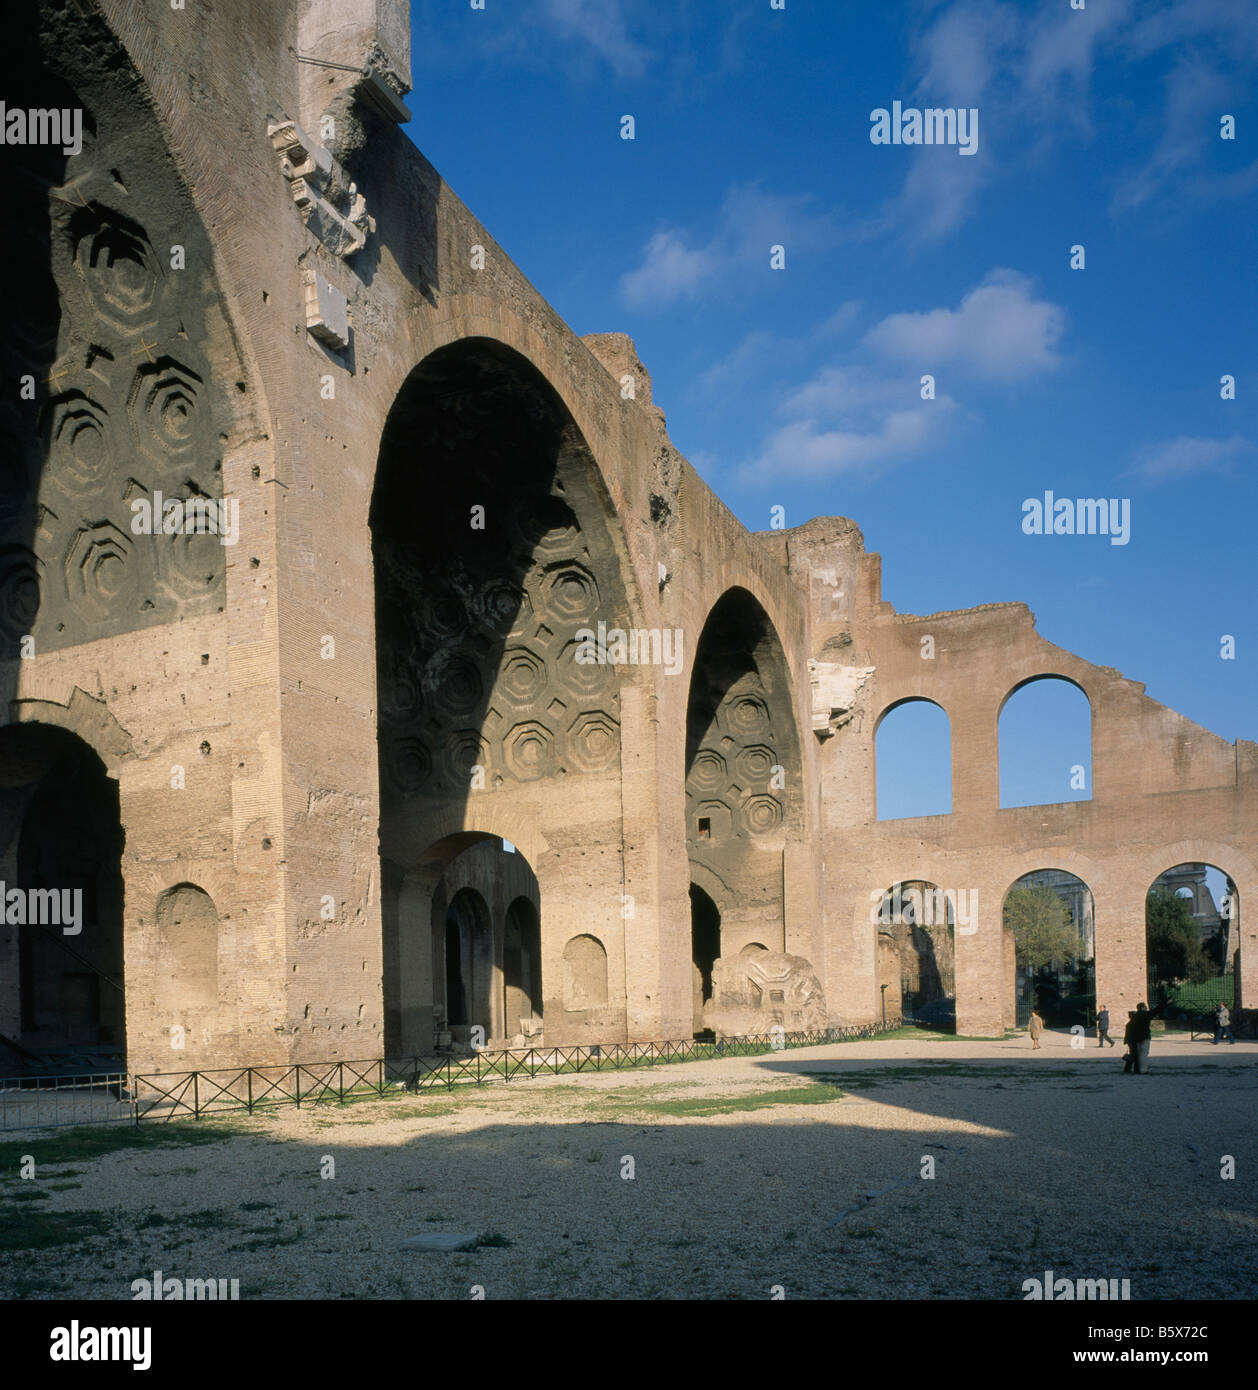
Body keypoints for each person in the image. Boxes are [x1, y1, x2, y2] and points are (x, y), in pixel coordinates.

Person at [1131, 1001, 1152, 1073]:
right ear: (1143, 1008)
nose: (1146, 1008)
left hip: (1137, 1037)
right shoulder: (1146, 1015)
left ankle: (1139, 1069)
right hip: (1145, 1036)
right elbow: (1156, 1010)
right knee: (1144, 1054)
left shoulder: (1135, 1016)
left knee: (1140, 1053)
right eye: (1145, 1007)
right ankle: (1143, 1070)